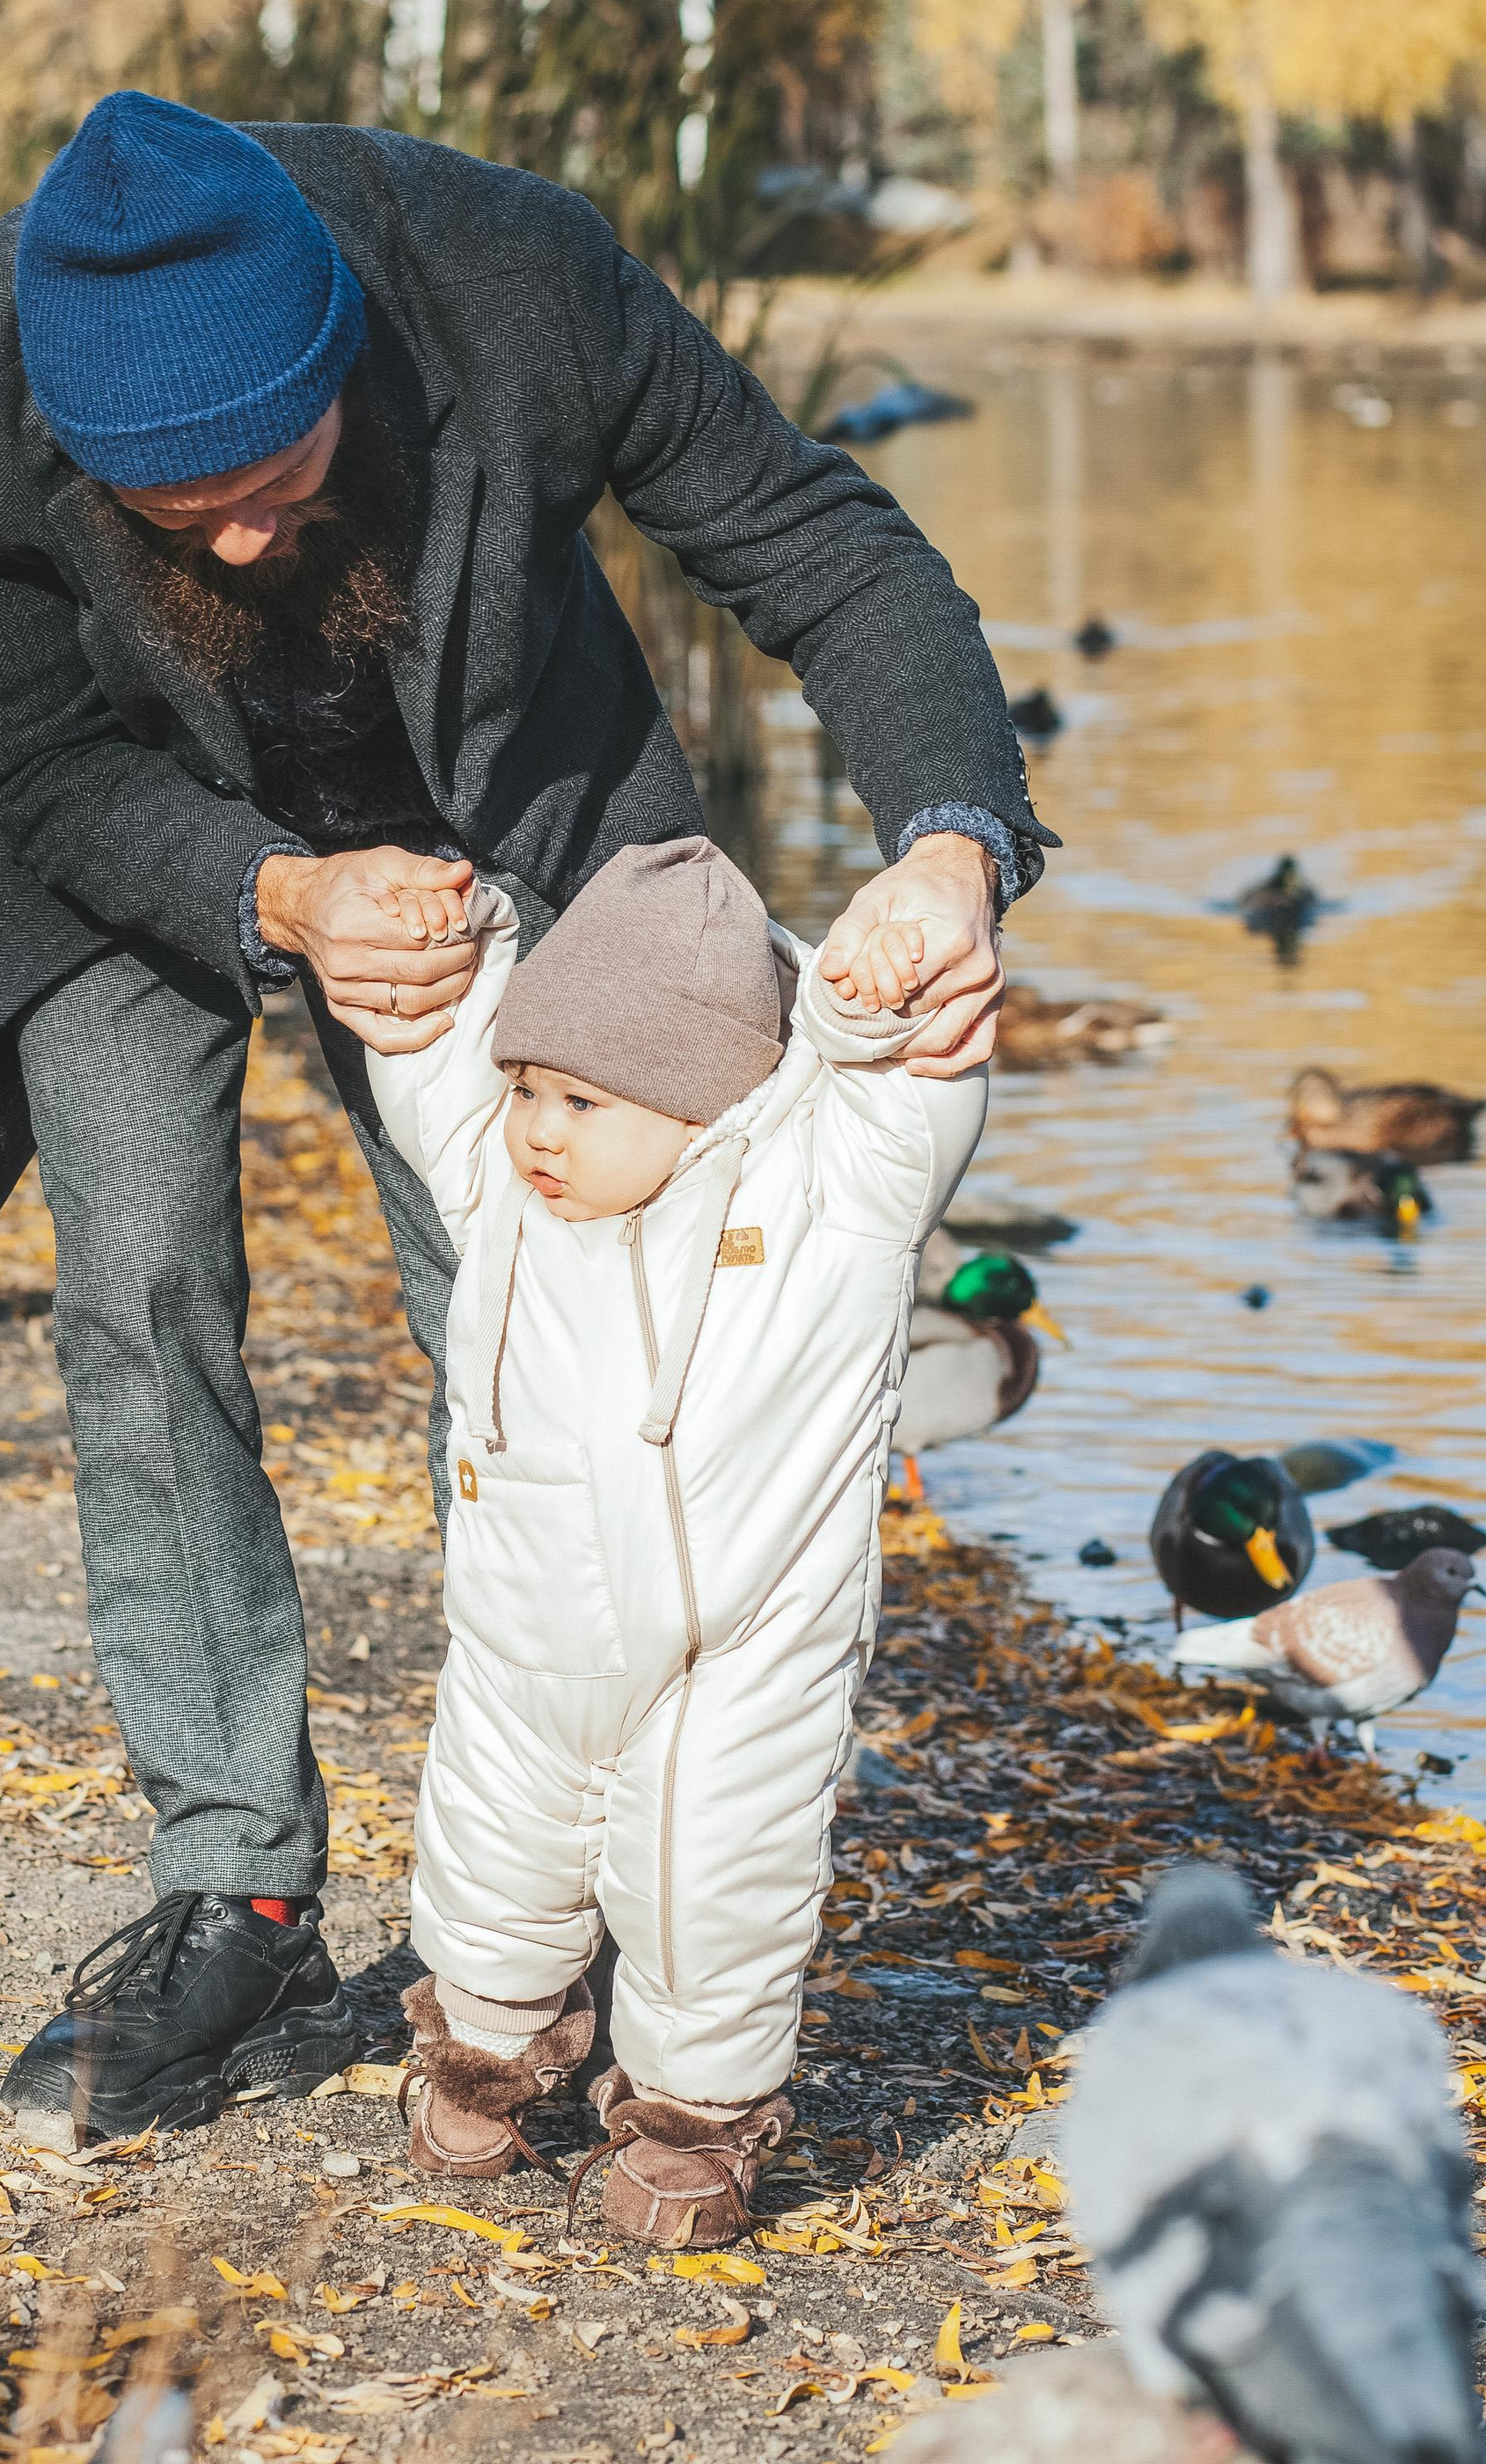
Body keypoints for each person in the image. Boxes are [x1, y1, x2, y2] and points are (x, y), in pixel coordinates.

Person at [0, 87, 1049, 2146]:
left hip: (522, 812)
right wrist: (278, 897)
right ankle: (227, 1884)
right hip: (135, 845)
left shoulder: (521, 280)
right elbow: (29, 756)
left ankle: (550, 1909)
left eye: (276, 474)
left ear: (344, 345)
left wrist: (947, 846)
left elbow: (823, 553)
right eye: (176, 511)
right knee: (141, 1289)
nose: (241, 535)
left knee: (549, 1331)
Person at [361, 836, 983, 2241]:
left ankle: (700, 2119)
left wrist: (866, 1000)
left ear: (703, 1101)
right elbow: (435, 1053)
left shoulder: (826, 1207)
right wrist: (459, 943)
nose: (538, 1130)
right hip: (529, 1634)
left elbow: (907, 1098)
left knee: (720, 1886)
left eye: (581, 1099)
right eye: (525, 1088)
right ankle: (486, 2047)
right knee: (491, 1860)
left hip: (744, 1650)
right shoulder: (504, 1191)